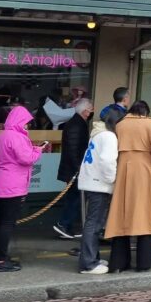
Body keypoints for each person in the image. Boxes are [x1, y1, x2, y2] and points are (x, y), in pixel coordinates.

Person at [105, 100, 151, 272]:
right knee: (145, 216)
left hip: (124, 171)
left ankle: (118, 262)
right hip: (145, 171)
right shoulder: (149, 124)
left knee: (120, 215)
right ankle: (143, 262)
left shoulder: (121, 125)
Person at [0, 105, 48, 272]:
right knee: (7, 223)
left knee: (2, 222)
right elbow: (26, 158)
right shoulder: (16, 137)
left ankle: (1, 257)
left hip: (3, 182)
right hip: (13, 185)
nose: (27, 126)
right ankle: (0, 260)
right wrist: (39, 149)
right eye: (26, 122)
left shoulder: (3, 135)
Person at [76, 110, 118, 275]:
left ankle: (93, 258)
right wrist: (112, 179)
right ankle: (88, 263)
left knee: (94, 223)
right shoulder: (109, 137)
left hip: (91, 182)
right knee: (93, 224)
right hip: (98, 184)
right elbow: (107, 161)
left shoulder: (98, 134)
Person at [53, 97, 93, 240]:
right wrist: (78, 168)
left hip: (72, 168)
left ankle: (66, 226)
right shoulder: (77, 125)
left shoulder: (75, 123)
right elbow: (74, 148)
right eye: (90, 109)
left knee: (73, 197)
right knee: (74, 198)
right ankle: (64, 224)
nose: (91, 111)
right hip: (74, 169)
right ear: (85, 111)